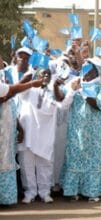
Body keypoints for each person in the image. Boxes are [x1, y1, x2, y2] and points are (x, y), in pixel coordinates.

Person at [58, 57, 101, 202]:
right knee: (76, 158)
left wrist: (82, 92)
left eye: (91, 71)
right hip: (77, 132)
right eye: (85, 71)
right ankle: (74, 191)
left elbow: (99, 105)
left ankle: (93, 192)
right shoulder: (75, 84)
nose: (87, 74)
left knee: (95, 160)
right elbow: (63, 106)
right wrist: (72, 90)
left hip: (97, 134)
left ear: (97, 73)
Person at [0, 71, 44, 206]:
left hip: (7, 134)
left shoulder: (2, 79)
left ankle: (5, 198)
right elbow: (9, 93)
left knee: (6, 162)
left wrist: (19, 127)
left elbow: (10, 102)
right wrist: (30, 83)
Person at [17, 69, 57, 204]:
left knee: (45, 164)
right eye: (42, 74)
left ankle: (45, 192)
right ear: (37, 76)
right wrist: (30, 80)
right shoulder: (29, 90)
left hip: (45, 134)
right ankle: (30, 193)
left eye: (48, 74)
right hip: (28, 133)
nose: (45, 76)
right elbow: (20, 93)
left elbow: (52, 108)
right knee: (26, 164)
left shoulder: (53, 93)